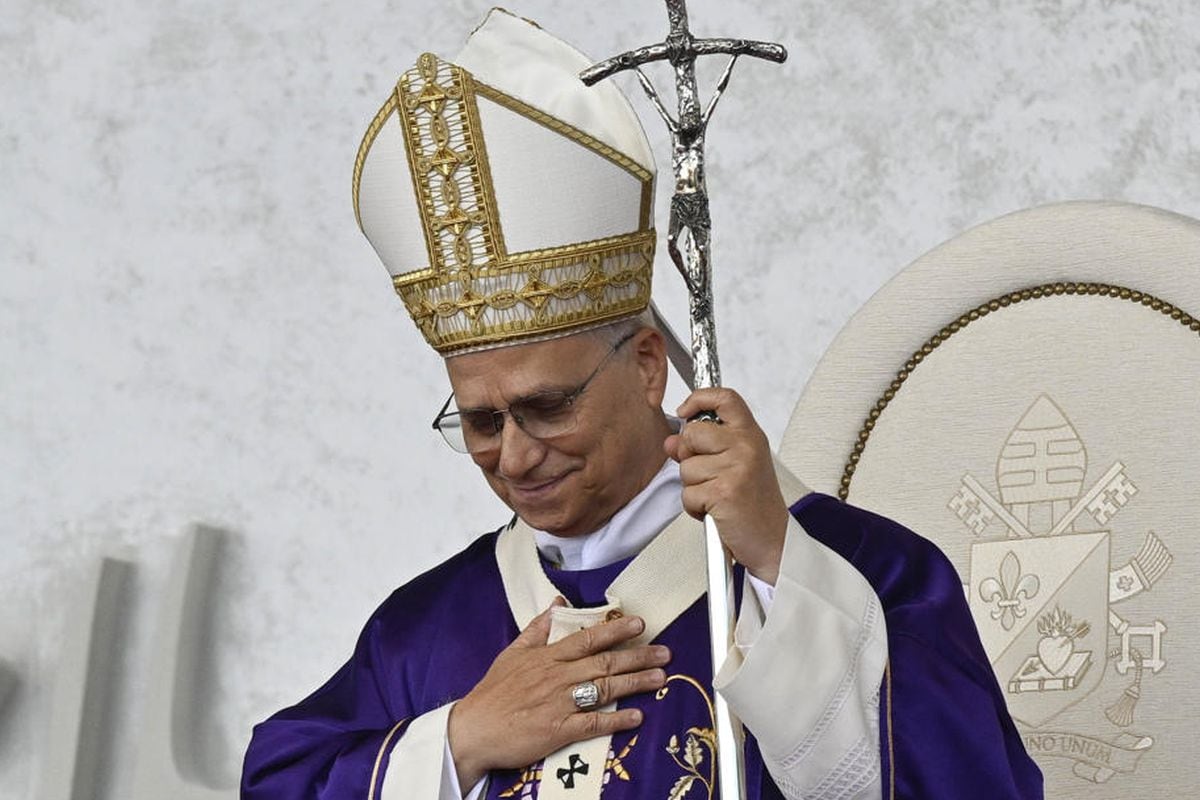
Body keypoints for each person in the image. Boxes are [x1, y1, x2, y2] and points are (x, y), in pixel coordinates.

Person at [241, 9, 1042, 800]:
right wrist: (464, 738)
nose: (515, 457)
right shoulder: (426, 633)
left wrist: (777, 572)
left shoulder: (873, 576)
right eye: (482, 422)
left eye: (547, 406)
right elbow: (281, 780)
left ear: (648, 366)